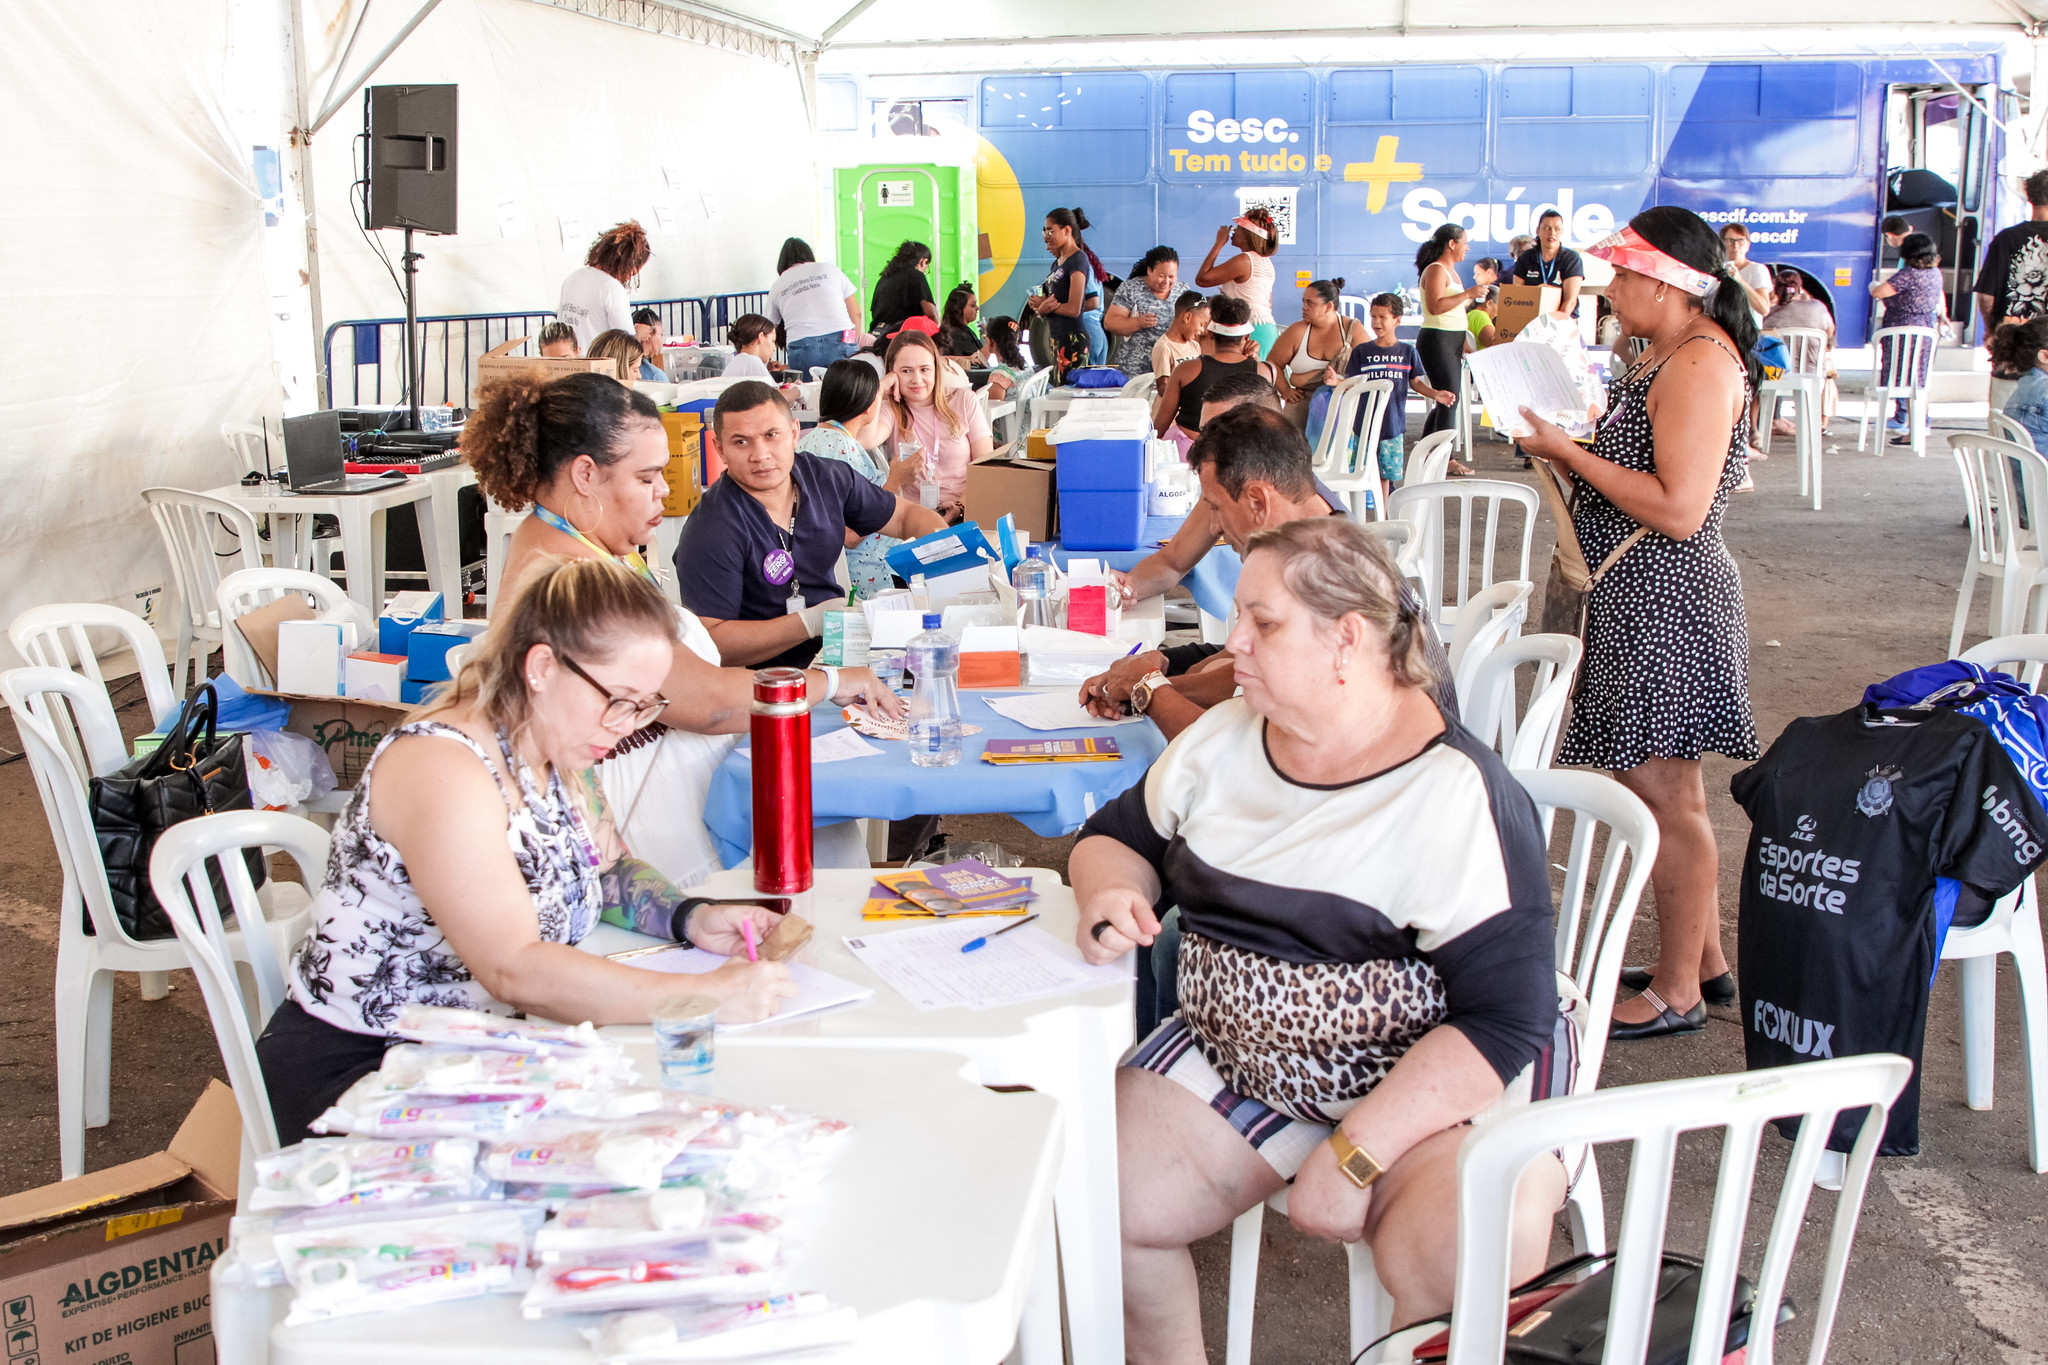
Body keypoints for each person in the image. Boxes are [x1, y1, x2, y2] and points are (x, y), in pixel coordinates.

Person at [1077, 518, 1565, 1354]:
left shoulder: (1454, 795)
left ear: (1348, 639)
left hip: (1423, 1095)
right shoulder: (1225, 742)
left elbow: (1505, 1021)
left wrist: (1357, 1153)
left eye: (1261, 624)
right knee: (1083, 1192)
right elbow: (1114, 836)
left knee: (1461, 1248)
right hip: (1243, 1062)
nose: (1232, 644)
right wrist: (1114, 889)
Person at [257, 555, 804, 1144]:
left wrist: (689, 917)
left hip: (476, 1052)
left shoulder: (559, 749)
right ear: (542, 666)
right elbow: (512, 966)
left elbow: (609, 868)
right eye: (619, 699)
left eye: (645, 705)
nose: (626, 724)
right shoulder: (443, 768)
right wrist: (702, 996)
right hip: (367, 1073)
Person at [471, 370, 898, 891]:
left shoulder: (560, 540)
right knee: (820, 844)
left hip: (653, 782)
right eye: (648, 478)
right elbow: (709, 703)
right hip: (650, 816)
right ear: (585, 474)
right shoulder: (578, 578)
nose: (665, 491)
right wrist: (835, 682)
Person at [1516, 205, 1761, 1040]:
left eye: (1624, 277)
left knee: (1666, 796)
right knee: (1665, 788)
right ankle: (1704, 960)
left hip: (1671, 598)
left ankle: (1679, 990)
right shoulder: (1670, 354)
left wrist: (1568, 453)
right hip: (1645, 596)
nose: (1612, 291)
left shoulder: (1697, 364)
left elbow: (1682, 509)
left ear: (1669, 282)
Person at [674, 382, 946, 668]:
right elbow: (711, 642)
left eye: (771, 435)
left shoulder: (824, 477)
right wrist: (808, 622)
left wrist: (946, 554)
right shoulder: (711, 528)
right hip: (764, 680)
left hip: (841, 651)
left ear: (793, 433)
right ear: (719, 448)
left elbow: (905, 517)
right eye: (741, 441)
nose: (760, 454)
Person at [795, 359, 917, 599]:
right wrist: (895, 482)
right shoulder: (845, 451)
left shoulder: (807, 442)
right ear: (871, 407)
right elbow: (850, 535)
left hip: (823, 570)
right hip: (866, 576)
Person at [1344, 292, 1457, 498]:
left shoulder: (1407, 352)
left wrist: (1435, 394)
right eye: (1373, 316)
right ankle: (1361, 513)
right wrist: (1336, 382)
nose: (1376, 322)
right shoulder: (1361, 352)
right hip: (1364, 425)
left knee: (1387, 475)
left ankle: (1384, 514)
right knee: (1361, 471)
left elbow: (1415, 382)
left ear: (1397, 320)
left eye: (1382, 317)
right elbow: (1351, 383)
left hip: (1393, 425)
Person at [877, 329, 994, 515]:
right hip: (914, 520)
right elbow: (864, 439)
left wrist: (959, 508)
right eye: (906, 371)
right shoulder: (890, 409)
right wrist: (881, 389)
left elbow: (986, 467)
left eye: (924, 369)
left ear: (935, 369)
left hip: (967, 512)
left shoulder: (964, 400)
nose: (917, 379)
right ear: (892, 372)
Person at [1152, 297, 1273, 449]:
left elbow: (1159, 428)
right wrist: (1255, 359)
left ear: (1210, 334)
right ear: (1247, 337)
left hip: (1188, 453)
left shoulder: (1185, 370)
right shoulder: (1262, 371)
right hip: (1240, 455)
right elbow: (1267, 427)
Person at [1415, 223, 1497, 442]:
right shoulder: (1435, 269)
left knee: (1448, 399)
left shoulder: (1451, 272)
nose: (1468, 248)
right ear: (1452, 244)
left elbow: (1454, 313)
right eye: (1465, 243)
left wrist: (1462, 343)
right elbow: (1435, 306)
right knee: (1449, 399)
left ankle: (1429, 448)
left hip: (1451, 338)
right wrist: (1467, 294)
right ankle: (1444, 456)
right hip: (1437, 338)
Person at [1977, 169, 2048, 415]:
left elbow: (1986, 295)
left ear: (2030, 198)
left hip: (2010, 355)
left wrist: (1989, 329)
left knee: (2004, 434)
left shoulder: (2005, 239)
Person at [1268, 279, 1371, 430]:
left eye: (1310, 303)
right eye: (1303, 302)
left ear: (1328, 306)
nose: (1304, 307)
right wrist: (1286, 390)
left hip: (1343, 399)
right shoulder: (1297, 331)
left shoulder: (1353, 329)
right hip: (1303, 399)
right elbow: (1273, 362)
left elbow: (1369, 368)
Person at [768, 237, 862, 377]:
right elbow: (856, 313)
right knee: (846, 392)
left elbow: (769, 328)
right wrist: (854, 341)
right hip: (840, 338)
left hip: (801, 344)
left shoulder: (778, 284)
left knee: (806, 393)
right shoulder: (830, 269)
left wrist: (766, 360)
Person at [1196, 210, 1281, 357]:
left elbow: (1202, 279)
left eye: (1239, 229)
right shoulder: (1267, 263)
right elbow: (1269, 303)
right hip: (1267, 328)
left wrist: (1218, 243)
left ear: (1249, 235)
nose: (1233, 231)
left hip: (1248, 328)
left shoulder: (1245, 260)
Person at [1024, 207, 1095, 382]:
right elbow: (1049, 303)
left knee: (1069, 394)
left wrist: (1047, 306)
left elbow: (1074, 309)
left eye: (1050, 230)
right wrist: (1040, 307)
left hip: (1073, 338)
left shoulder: (1078, 259)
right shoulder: (1057, 263)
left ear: (1067, 230)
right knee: (1059, 389)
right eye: (1044, 231)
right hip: (1057, 337)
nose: (1046, 235)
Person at [558, 221, 649, 350]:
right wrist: (638, 333)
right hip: (598, 366)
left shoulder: (572, 278)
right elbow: (625, 343)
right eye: (635, 272)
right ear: (631, 268)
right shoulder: (611, 288)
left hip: (569, 364)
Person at [1106, 247, 1181, 376]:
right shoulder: (1130, 288)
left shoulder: (1182, 290)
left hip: (1169, 369)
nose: (1166, 282)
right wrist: (1138, 322)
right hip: (1134, 371)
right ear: (1149, 270)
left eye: (1171, 276)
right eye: (1162, 276)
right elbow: (1110, 323)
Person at [1512, 209, 1585, 320]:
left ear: (1562, 232)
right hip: (1531, 323)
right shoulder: (1526, 258)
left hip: (1562, 321)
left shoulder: (1571, 259)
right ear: (1538, 231)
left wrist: (1554, 325)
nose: (1552, 233)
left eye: (1557, 229)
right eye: (1547, 228)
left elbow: (1570, 301)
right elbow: (1517, 296)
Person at [868, 240, 937, 336]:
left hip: (878, 334)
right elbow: (931, 314)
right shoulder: (916, 275)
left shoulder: (885, 277)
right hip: (902, 335)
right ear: (923, 261)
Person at [1760, 268, 1835, 346]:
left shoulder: (1767, 314)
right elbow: (1830, 333)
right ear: (1800, 290)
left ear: (1775, 290)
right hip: (1813, 358)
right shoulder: (1818, 307)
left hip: (1780, 358)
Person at [1718, 223, 1772, 325]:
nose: (1735, 245)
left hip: (1748, 333)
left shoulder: (1757, 269)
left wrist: (1740, 280)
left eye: (1740, 240)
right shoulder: (1716, 269)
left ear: (1748, 245)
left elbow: (1764, 309)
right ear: (1722, 244)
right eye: (1730, 240)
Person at [1151, 291, 1209, 382]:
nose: (1202, 330)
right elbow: (1163, 387)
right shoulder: (1164, 347)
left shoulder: (1195, 346)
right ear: (1187, 318)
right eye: (1201, 324)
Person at [976, 316, 1028, 400]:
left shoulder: (999, 376)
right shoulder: (1025, 365)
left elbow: (994, 408)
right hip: (1031, 413)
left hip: (1012, 413)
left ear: (990, 342)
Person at [721, 315, 778, 380]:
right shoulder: (753, 362)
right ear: (761, 337)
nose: (774, 348)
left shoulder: (736, 361)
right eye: (773, 341)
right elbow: (772, 389)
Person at [937, 282, 981, 358]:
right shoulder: (957, 335)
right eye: (972, 305)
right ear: (959, 308)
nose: (977, 308)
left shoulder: (959, 331)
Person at [628, 309, 668, 380]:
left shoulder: (620, 366)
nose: (661, 342)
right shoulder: (656, 376)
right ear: (649, 333)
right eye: (661, 334)